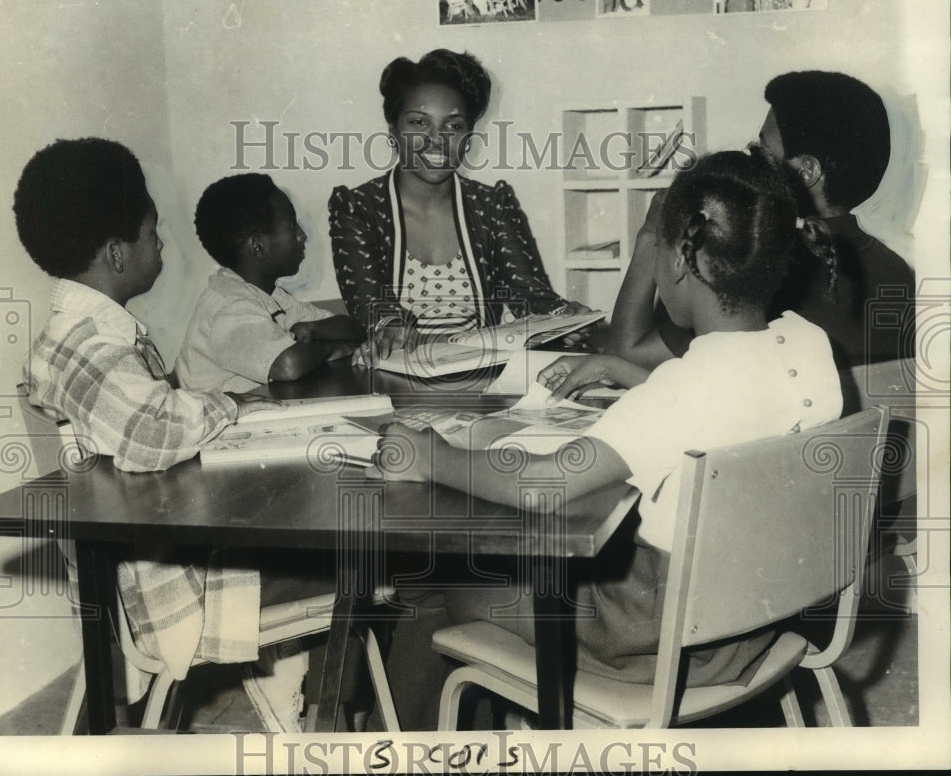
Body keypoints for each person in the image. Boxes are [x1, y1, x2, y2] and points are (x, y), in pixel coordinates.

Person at [372, 147, 844, 730]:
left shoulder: (687, 387)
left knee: (434, 582)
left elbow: (538, 486)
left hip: (655, 639)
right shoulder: (808, 344)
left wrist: (428, 453)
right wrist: (637, 378)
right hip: (760, 620)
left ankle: (403, 750)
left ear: (676, 261)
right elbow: (738, 410)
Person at [14, 139, 324, 731]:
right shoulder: (90, 346)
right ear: (116, 252)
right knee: (378, 569)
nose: (160, 243)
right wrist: (229, 404)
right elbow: (152, 429)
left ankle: (286, 698)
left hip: (158, 564)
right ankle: (319, 722)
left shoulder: (80, 335)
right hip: (178, 591)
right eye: (152, 232)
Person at [602, 70, 915, 378]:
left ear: (806, 172)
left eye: (763, 148)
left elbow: (625, 354)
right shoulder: (896, 270)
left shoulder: (762, 261)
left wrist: (653, 233)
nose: (751, 157)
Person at [328, 48, 592, 364]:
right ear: (393, 133)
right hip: (395, 380)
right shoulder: (358, 209)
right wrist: (390, 325)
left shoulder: (493, 205)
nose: (437, 139)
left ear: (468, 136)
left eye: (453, 126)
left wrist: (564, 316)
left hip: (484, 375)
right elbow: (369, 302)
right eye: (418, 122)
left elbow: (529, 293)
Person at [175, 173, 365, 392]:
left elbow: (354, 330)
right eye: (292, 227)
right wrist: (330, 349)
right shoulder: (228, 306)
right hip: (227, 424)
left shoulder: (271, 296)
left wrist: (313, 329)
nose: (303, 236)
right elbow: (288, 365)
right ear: (258, 247)